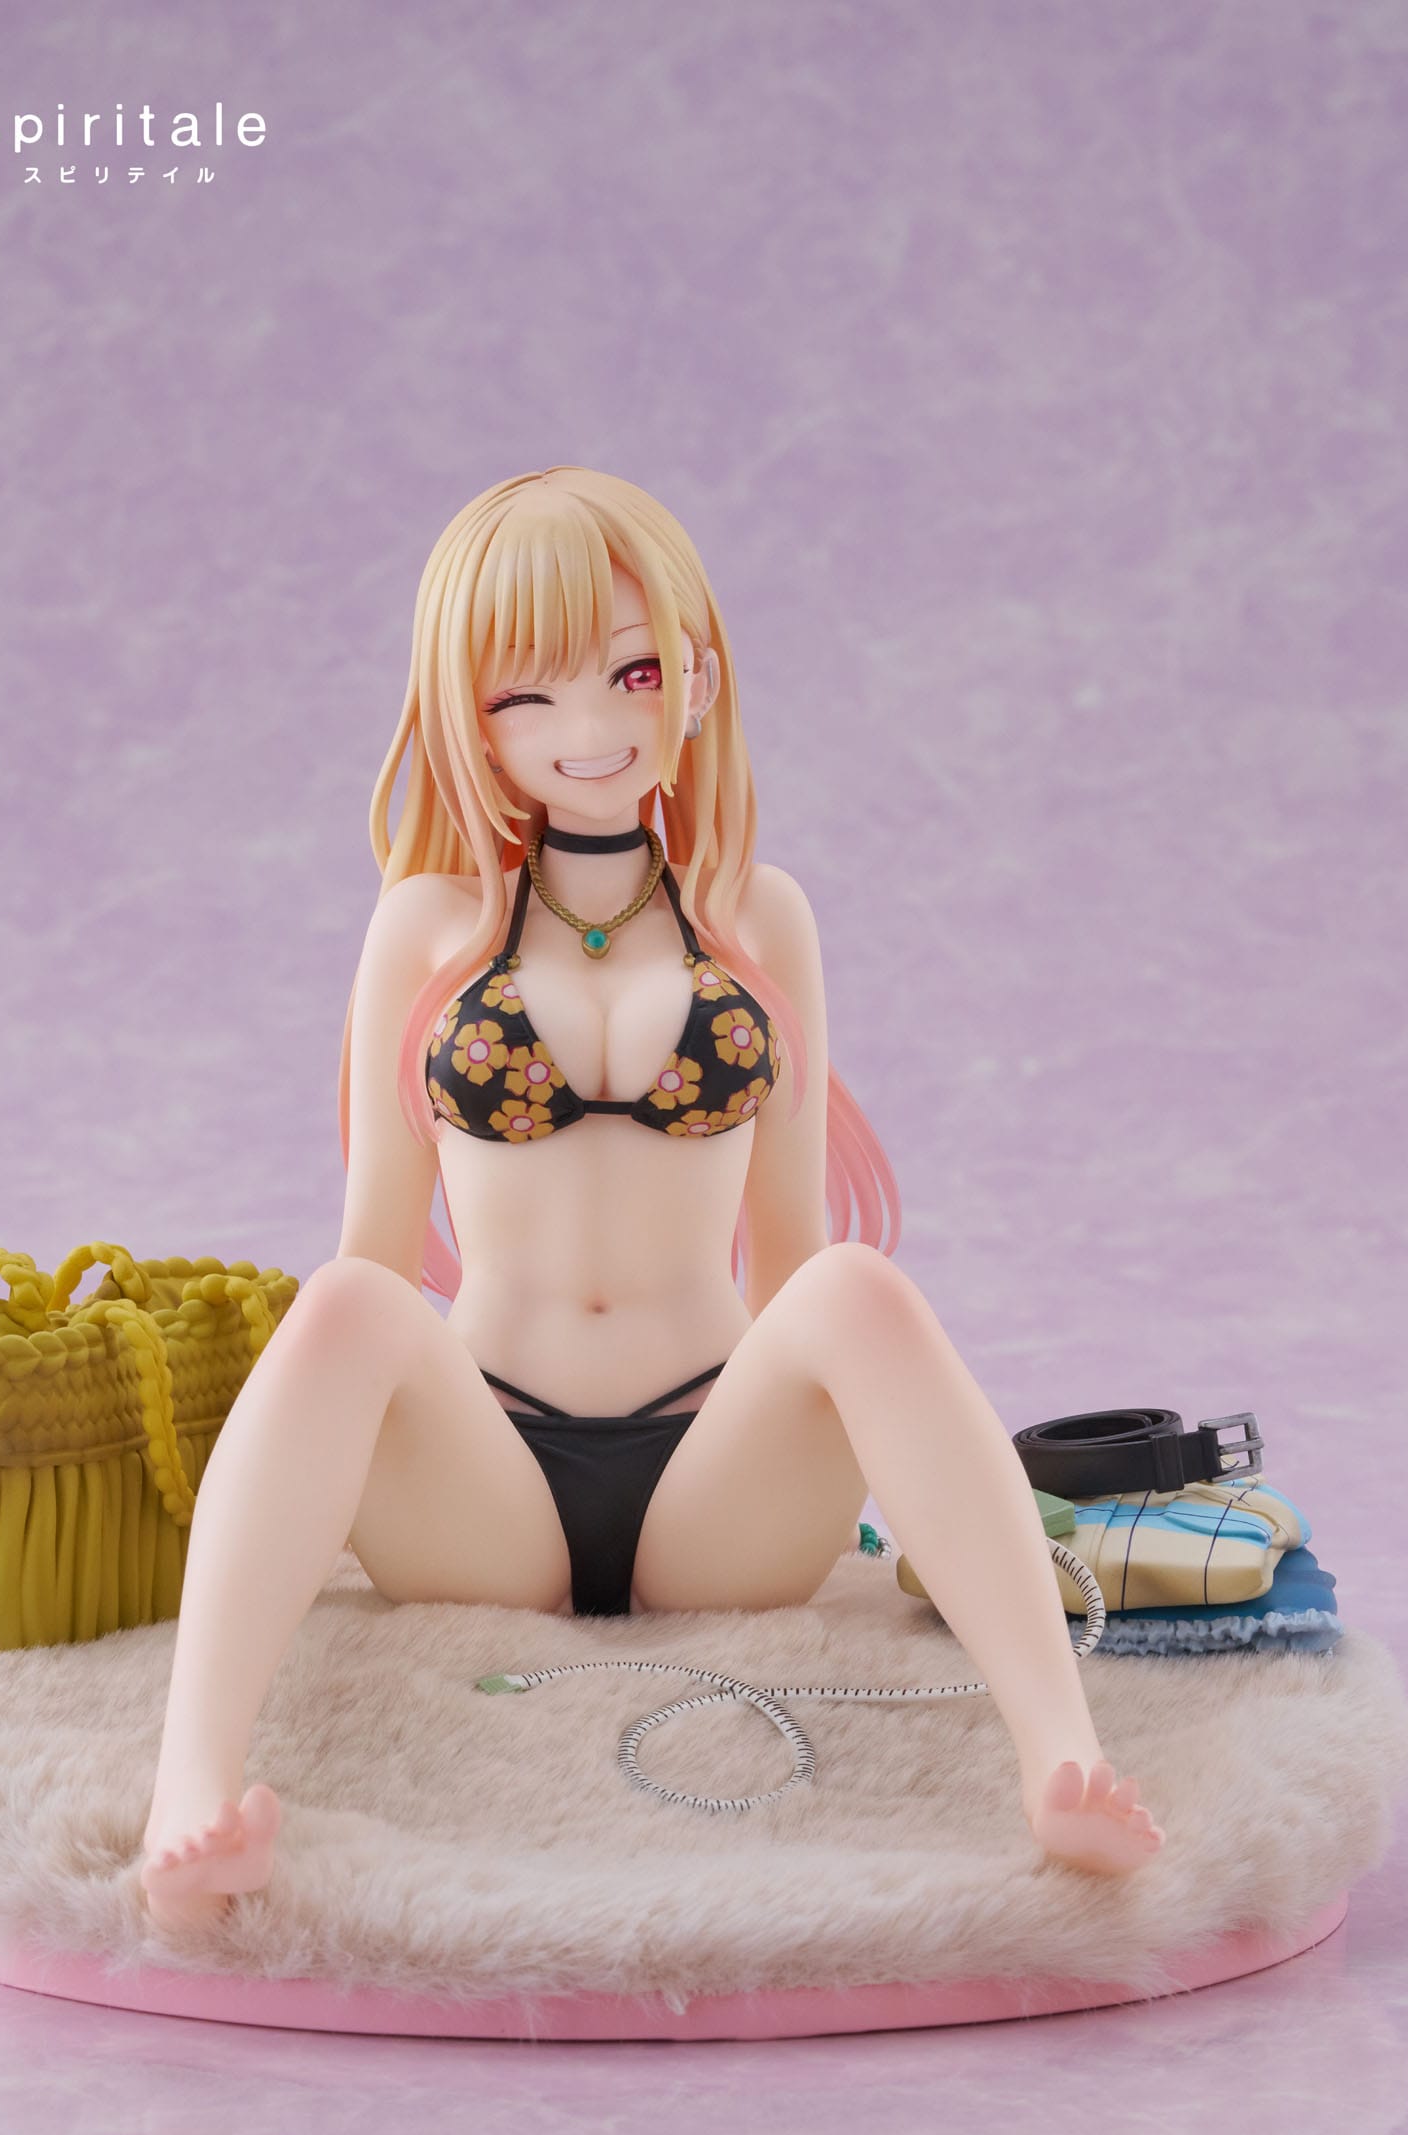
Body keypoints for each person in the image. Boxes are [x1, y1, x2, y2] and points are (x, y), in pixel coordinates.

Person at [141, 468, 1163, 1930]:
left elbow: (796, 1258)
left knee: (857, 1287)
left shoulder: (758, 916)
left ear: (698, 676)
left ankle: (1063, 1759)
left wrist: (896, 1472)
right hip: (487, 1489)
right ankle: (190, 1794)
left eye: (629, 673)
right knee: (348, 1300)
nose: (592, 728)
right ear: (467, 718)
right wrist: (306, 1489)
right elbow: (373, 1255)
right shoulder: (426, 927)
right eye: (528, 695)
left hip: (714, 1485)